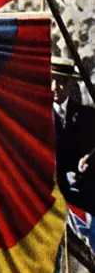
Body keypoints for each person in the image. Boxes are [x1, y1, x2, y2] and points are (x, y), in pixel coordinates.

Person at [52, 56, 95, 213]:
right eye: (52, 80)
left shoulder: (87, 115)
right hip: (52, 197)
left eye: (60, 81)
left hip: (83, 198)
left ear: (70, 84)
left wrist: (87, 160)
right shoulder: (40, 116)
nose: (54, 87)